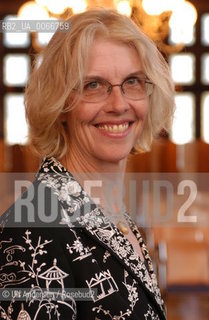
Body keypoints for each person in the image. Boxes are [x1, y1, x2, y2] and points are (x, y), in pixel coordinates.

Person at [0, 8, 174, 320]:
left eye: (132, 81)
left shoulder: (113, 213)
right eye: (94, 85)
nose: (119, 105)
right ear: (60, 103)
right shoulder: (32, 232)